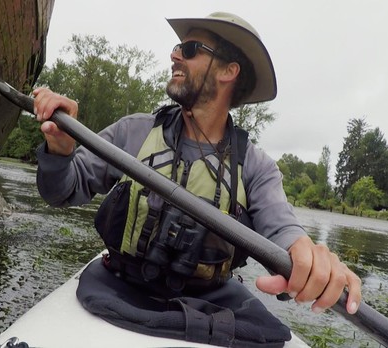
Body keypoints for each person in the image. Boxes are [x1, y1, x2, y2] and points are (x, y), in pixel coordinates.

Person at [32, 11, 361, 347]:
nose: (175, 54)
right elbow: (61, 191)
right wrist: (60, 152)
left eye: (189, 49)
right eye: (177, 47)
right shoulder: (134, 132)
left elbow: (283, 228)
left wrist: (308, 256)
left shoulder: (256, 166)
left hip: (209, 305)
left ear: (228, 71)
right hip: (118, 287)